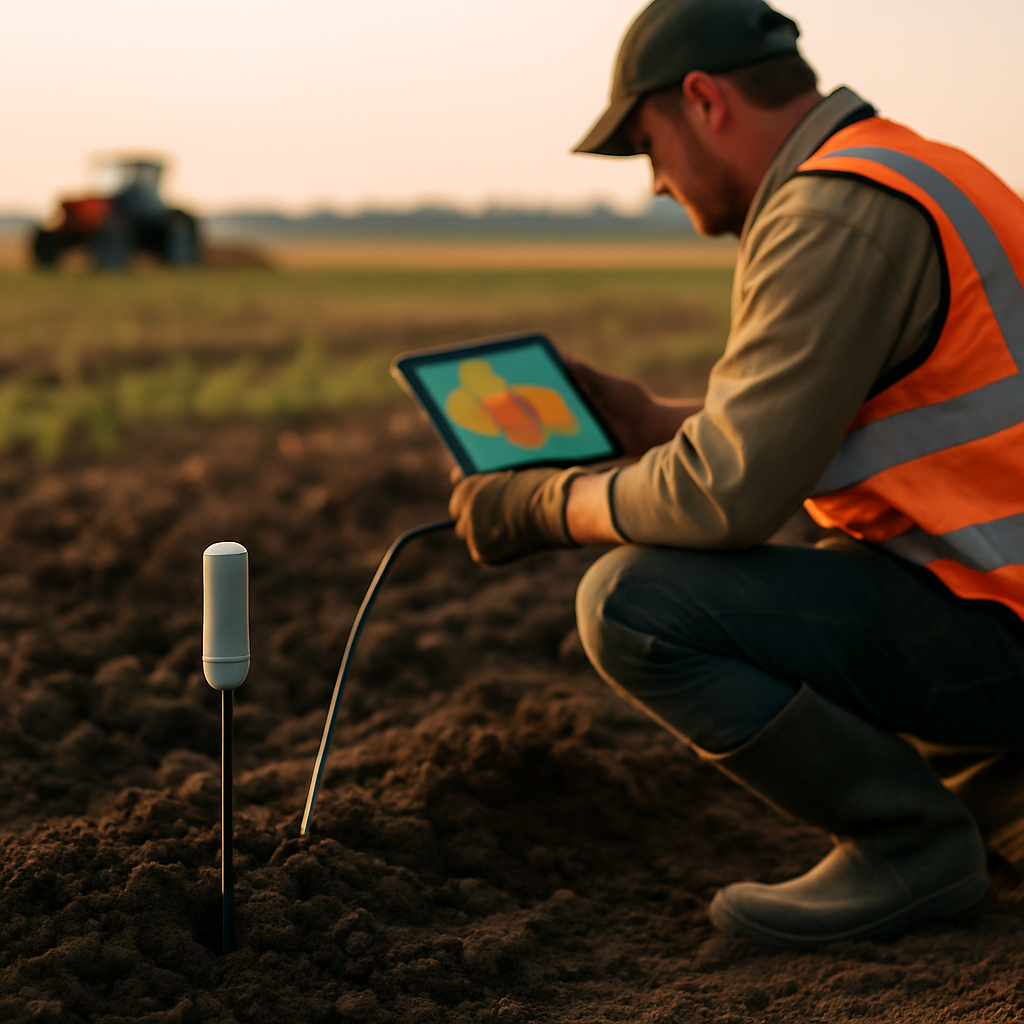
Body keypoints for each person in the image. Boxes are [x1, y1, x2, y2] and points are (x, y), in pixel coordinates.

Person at [449, 0, 1024, 947]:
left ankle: (909, 847)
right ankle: (1000, 787)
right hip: (998, 590)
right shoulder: (913, 168)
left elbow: (726, 498)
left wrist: (542, 504)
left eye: (646, 148)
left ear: (703, 100)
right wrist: (652, 424)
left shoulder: (832, 214)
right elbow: (842, 423)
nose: (655, 186)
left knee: (635, 603)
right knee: (831, 553)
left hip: (1001, 616)